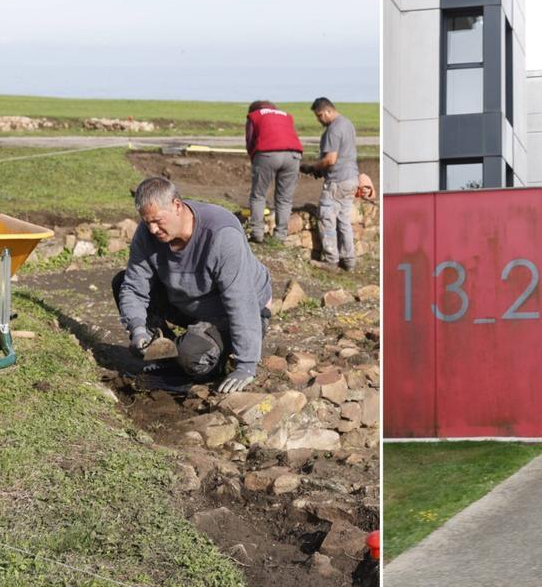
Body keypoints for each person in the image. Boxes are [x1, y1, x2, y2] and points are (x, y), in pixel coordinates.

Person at [114, 177, 272, 394]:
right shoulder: (147, 232)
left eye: (158, 221)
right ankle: (165, 353)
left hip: (231, 311)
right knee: (122, 282)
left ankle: (205, 361)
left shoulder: (221, 234)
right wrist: (138, 330)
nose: (152, 229)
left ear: (177, 206)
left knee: (192, 357)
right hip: (187, 302)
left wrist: (246, 366)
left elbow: (241, 301)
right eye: (147, 221)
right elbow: (133, 287)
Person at [301, 97, 359, 271]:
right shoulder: (347, 124)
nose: (319, 119)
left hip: (337, 181)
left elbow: (330, 159)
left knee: (326, 217)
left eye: (319, 115)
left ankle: (330, 260)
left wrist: (312, 167)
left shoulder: (333, 129)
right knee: (343, 220)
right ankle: (349, 260)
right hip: (351, 179)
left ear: (328, 111)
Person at [245, 100, 303, 243]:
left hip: (267, 153)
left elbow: (250, 139)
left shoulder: (254, 115)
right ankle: (280, 236)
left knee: (258, 195)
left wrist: (255, 159)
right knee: (284, 198)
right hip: (294, 155)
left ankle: (257, 234)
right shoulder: (286, 115)